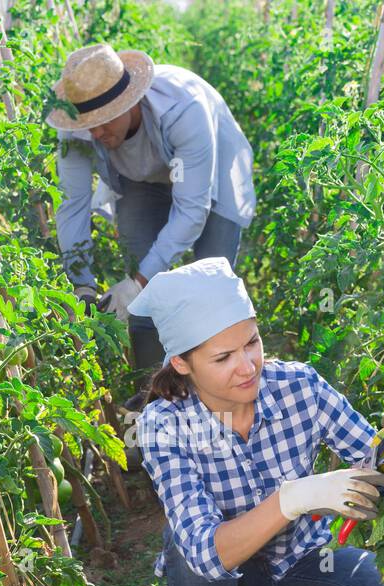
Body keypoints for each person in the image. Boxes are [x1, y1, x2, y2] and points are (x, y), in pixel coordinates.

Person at [131, 258, 384, 586]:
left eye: (252, 342)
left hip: (304, 562)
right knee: (186, 555)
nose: (247, 366)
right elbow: (206, 552)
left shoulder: (299, 386)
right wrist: (294, 498)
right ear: (182, 363)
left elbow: (374, 453)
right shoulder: (165, 423)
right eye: (222, 358)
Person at [45, 43, 255, 403]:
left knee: (214, 287)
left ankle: (220, 398)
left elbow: (192, 210)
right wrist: (82, 285)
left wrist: (138, 282)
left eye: (104, 120)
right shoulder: (77, 130)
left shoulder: (183, 109)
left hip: (212, 173)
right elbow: (72, 205)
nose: (96, 133)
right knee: (144, 305)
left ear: (130, 103)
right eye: (88, 124)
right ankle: (153, 401)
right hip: (140, 179)